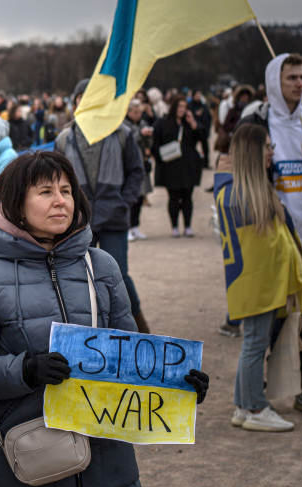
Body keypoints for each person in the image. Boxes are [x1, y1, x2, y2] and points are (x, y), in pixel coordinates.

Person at [0, 150, 209, 487]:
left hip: (108, 469)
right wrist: (25, 369)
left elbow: (131, 356)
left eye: (66, 190)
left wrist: (177, 383)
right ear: (17, 203)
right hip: (25, 468)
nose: (60, 201)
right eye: (45, 192)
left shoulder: (102, 266)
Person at [239, 52, 302, 410]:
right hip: (270, 236)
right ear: (274, 83)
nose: (301, 83)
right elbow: (238, 172)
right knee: (270, 314)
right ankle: (262, 383)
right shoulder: (254, 123)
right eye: (292, 78)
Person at [217, 125, 302, 431]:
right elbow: (267, 248)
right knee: (256, 343)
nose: (272, 152)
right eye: (268, 147)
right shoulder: (244, 196)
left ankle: (243, 407)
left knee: (253, 343)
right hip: (256, 283)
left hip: (249, 283)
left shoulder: (236, 191)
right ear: (253, 151)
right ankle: (255, 408)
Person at [57, 78, 149, 333]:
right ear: (75, 102)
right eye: (80, 98)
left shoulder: (122, 133)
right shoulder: (65, 138)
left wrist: (124, 201)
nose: (86, 102)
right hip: (78, 221)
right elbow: (57, 180)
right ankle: (88, 328)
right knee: (78, 277)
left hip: (113, 217)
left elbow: (136, 171)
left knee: (118, 275)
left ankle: (138, 328)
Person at [152, 95, 205, 237]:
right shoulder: (162, 123)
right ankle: (174, 226)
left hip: (188, 165)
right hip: (171, 166)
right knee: (173, 197)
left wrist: (193, 123)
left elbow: (202, 137)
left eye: (184, 107)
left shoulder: (188, 123)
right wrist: (161, 161)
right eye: (179, 106)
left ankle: (188, 226)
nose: (182, 110)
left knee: (188, 196)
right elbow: (155, 144)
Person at [125, 98, 154, 241]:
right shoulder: (124, 125)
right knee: (130, 197)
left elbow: (149, 143)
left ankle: (136, 226)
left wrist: (148, 137)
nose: (138, 115)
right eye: (135, 112)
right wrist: (140, 134)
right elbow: (128, 141)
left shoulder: (143, 123)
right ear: (129, 112)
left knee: (140, 196)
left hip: (142, 161)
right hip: (129, 164)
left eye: (139, 112)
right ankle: (128, 227)